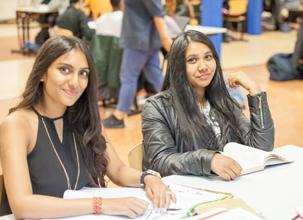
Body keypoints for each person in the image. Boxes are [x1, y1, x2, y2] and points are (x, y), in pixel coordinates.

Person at [0, 36, 175, 218]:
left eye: (83, 73)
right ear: (42, 73)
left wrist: (148, 178)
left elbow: (117, 170)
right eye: (64, 70)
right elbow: (22, 206)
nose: (75, 82)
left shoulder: (86, 118)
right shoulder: (17, 125)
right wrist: (100, 204)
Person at [142, 30, 275, 181]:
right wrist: (208, 160)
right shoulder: (157, 107)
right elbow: (159, 161)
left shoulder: (222, 100)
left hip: (228, 187)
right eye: (192, 60)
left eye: (208, 57)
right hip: (185, 194)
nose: (203, 66)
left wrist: (256, 93)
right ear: (178, 66)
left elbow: (261, 148)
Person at [102, 0, 172, 128]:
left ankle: (119, 115)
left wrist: (165, 39)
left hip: (138, 39)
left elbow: (157, 12)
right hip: (145, 38)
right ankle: (175, 105)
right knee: (154, 74)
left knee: (128, 77)